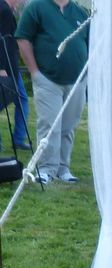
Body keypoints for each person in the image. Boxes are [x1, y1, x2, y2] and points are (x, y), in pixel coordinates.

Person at [16, 0, 88, 182]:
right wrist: (34, 72)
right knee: (49, 125)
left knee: (68, 126)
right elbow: (23, 38)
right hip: (47, 79)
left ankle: (63, 168)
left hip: (77, 81)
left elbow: (90, 43)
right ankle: (46, 169)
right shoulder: (36, 8)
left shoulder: (80, 13)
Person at [0, 0, 32, 151]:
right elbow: (3, 41)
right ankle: (18, 139)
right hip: (7, 67)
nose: (20, 2)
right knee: (19, 100)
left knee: (20, 99)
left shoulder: (6, 10)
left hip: (10, 66)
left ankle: (18, 138)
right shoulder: (4, 11)